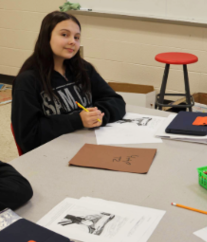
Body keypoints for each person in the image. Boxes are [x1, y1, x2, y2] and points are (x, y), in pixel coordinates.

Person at [12, 12, 125, 154]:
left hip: (87, 145)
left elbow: (116, 101)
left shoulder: (83, 68)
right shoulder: (27, 81)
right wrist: (77, 120)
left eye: (77, 37)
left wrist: (99, 115)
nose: (73, 41)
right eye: (64, 35)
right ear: (47, 37)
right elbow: (28, 136)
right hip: (50, 155)